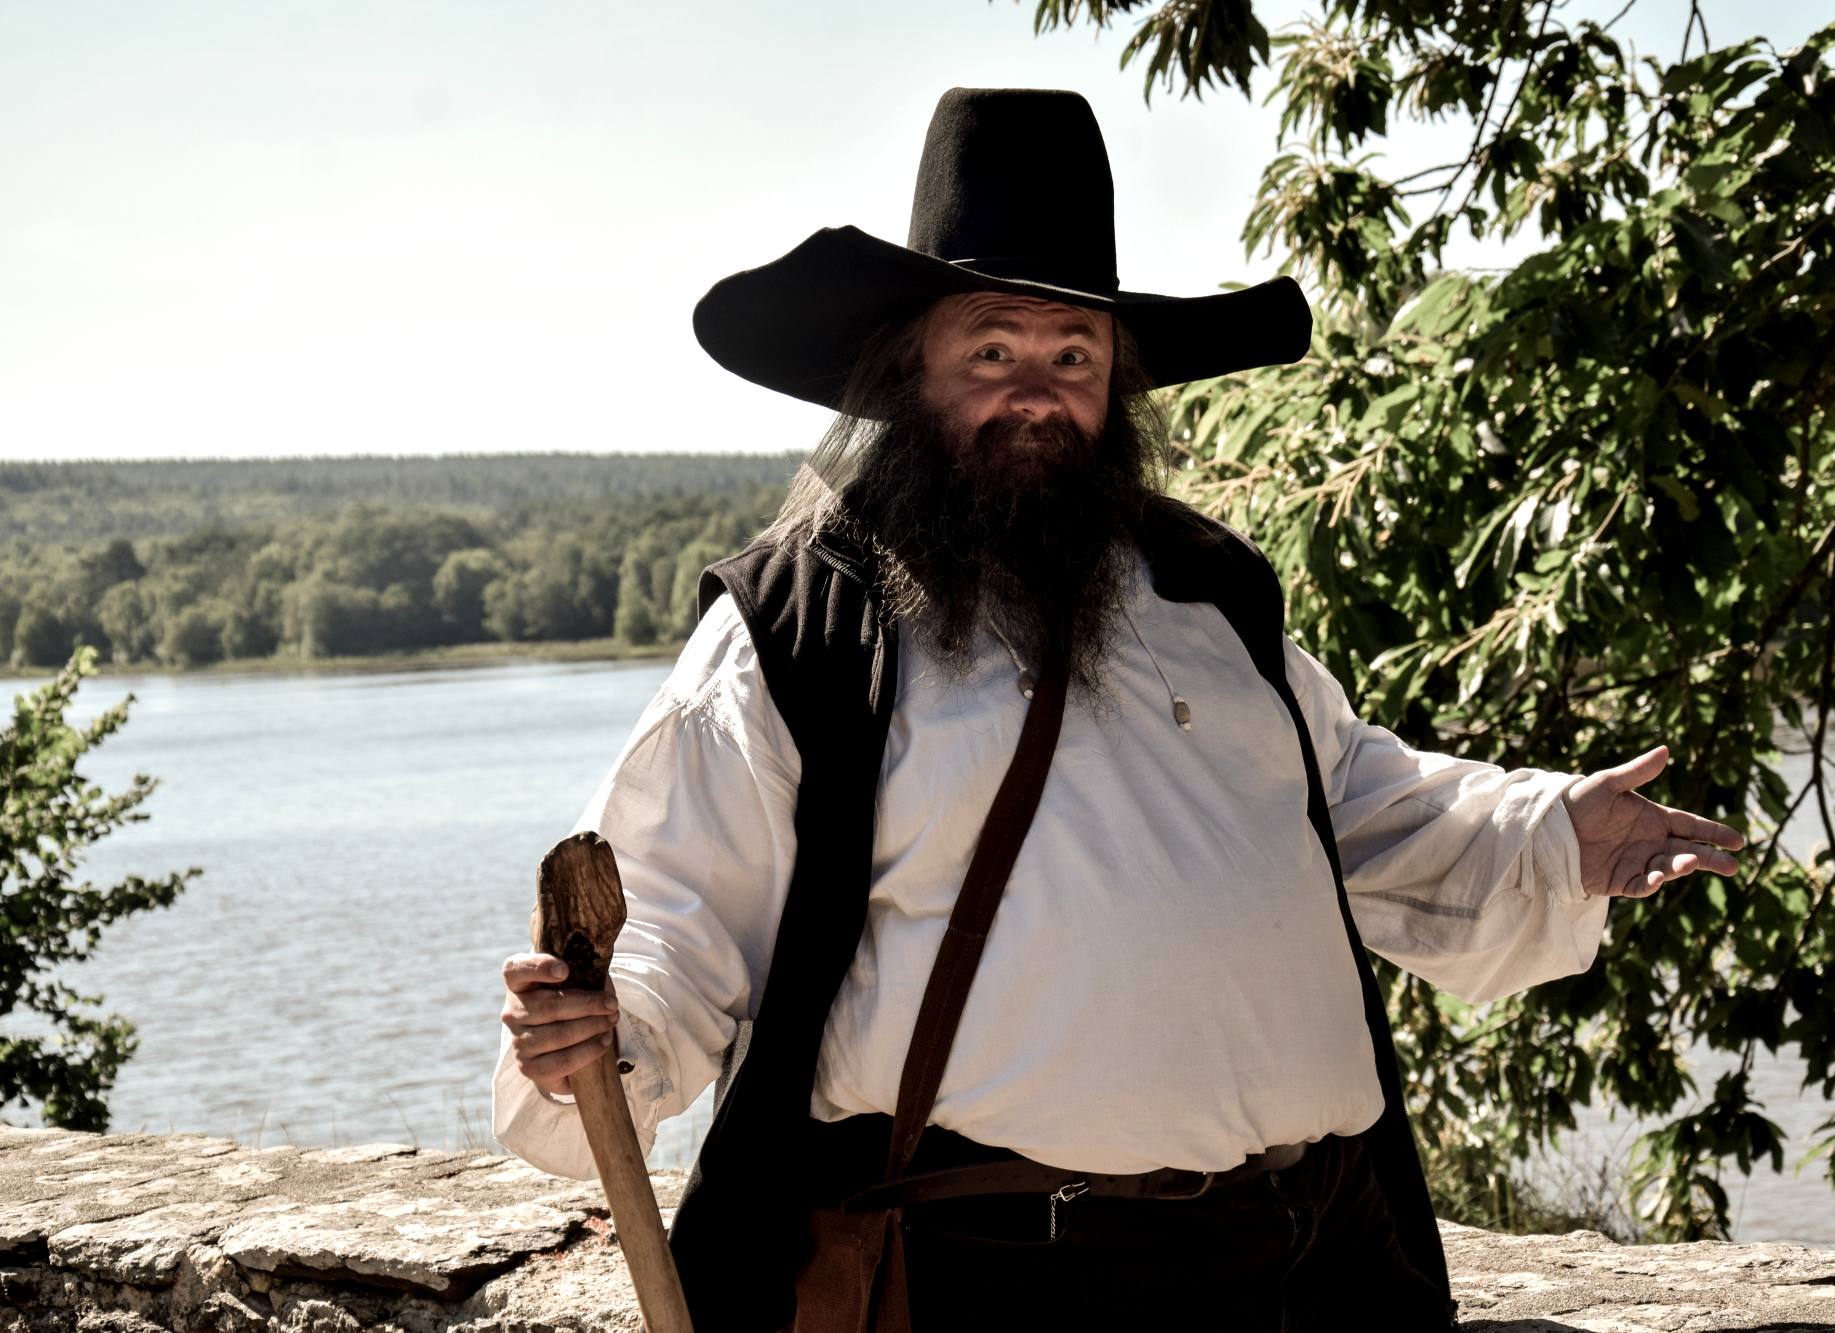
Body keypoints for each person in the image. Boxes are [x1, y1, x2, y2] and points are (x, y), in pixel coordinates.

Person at [492, 87, 1746, 1332]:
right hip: (993, 1279)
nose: (1036, 390)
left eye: (1073, 356)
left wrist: (1548, 830)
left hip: (1306, 1260)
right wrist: (607, 1031)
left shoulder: (1204, 589)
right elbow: (675, 916)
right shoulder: (802, 628)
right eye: (993, 351)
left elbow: (1348, 799)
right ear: (908, 369)